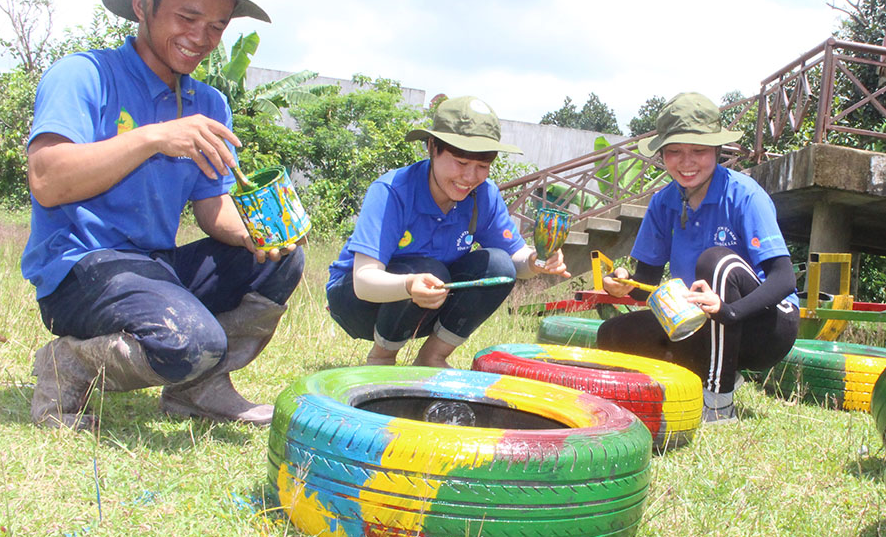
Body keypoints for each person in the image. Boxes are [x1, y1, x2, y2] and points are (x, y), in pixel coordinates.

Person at [22, 0, 304, 430]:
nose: (201, 37)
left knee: (282, 260)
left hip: (154, 267)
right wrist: (153, 138)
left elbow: (212, 207)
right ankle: (67, 367)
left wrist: (258, 233)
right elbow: (46, 179)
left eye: (216, 26)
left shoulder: (209, 104)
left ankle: (198, 389)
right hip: (79, 270)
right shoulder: (84, 76)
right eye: (187, 17)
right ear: (142, 5)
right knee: (192, 341)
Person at [597, 92, 799, 423]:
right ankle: (703, 375)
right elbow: (645, 282)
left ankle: (718, 404)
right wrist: (623, 285)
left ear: (717, 152)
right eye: (674, 151)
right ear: (662, 154)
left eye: (698, 151)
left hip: (768, 326)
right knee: (612, 334)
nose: (686, 162)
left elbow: (783, 278)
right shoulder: (663, 203)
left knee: (716, 263)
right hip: (704, 321)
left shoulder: (745, 195)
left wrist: (730, 311)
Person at [326, 96, 570, 368]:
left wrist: (535, 261)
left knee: (499, 266)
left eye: (482, 166)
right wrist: (409, 285)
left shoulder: (483, 196)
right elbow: (363, 281)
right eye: (461, 163)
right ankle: (381, 358)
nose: (470, 177)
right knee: (430, 270)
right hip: (359, 304)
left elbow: (515, 261)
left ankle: (432, 357)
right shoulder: (392, 191)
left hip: (427, 304)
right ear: (432, 147)